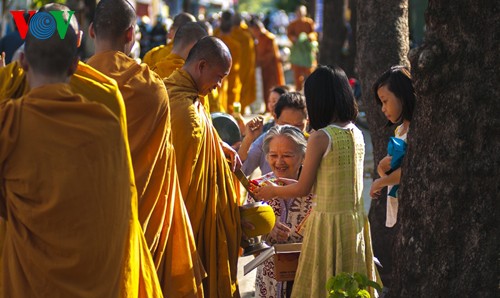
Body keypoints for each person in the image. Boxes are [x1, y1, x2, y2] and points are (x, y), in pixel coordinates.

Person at [0, 5, 164, 297]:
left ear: (23, 61)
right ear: (76, 63)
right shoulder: (106, 113)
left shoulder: (8, 118)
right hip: (97, 279)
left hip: (29, 280)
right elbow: (120, 207)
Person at [87, 1, 205, 296]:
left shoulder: (73, 84)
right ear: (131, 35)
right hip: (140, 220)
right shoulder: (152, 88)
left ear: (90, 31)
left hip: (86, 220)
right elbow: (164, 164)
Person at [254, 65, 380, 297]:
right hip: (353, 222)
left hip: (326, 224)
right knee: (351, 286)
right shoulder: (357, 132)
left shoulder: (320, 137)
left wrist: (272, 192)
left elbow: (303, 188)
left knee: (322, 287)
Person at [164, 36, 243, 298]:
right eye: (218, 76)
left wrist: (218, 144)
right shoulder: (186, 111)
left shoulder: (175, 91)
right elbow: (183, 185)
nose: (219, 86)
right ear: (201, 66)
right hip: (190, 227)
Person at [247, 125, 313, 298]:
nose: (279, 162)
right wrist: (266, 228)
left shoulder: (317, 190)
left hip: (308, 275)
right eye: (273, 155)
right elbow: (247, 238)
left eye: (287, 155)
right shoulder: (257, 188)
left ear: (304, 156)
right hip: (269, 281)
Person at [370, 66, 415, 228]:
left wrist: (380, 182)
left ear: (402, 96)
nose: (383, 108)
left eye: (385, 101)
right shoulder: (399, 130)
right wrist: (383, 170)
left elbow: (410, 171)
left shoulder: (414, 131)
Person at [240, 91, 308, 176]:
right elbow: (241, 170)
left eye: (298, 126)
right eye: (274, 155)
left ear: (307, 121)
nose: (292, 133)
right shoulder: (266, 139)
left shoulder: (312, 144)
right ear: (275, 118)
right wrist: (248, 139)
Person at [248, 17, 286, 110]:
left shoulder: (269, 38)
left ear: (257, 28)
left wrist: (260, 61)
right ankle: (267, 108)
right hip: (264, 68)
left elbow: (271, 54)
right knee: (265, 89)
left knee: (273, 88)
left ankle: (276, 108)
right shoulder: (258, 38)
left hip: (272, 68)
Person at [215, 10, 242, 113]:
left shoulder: (214, 39)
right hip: (231, 77)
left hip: (214, 77)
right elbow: (237, 65)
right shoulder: (236, 45)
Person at [287, 5, 317, 91]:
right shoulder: (292, 24)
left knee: (310, 72)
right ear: (296, 13)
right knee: (297, 74)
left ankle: (311, 90)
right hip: (297, 52)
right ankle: (298, 91)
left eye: (301, 13)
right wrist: (294, 38)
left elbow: (314, 33)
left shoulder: (309, 22)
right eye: (298, 13)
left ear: (305, 13)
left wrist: (308, 38)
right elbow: (289, 34)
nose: (300, 14)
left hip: (306, 51)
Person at [230, 13, 256, 112]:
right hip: (245, 69)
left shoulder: (228, 34)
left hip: (231, 70)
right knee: (244, 88)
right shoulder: (247, 36)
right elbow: (252, 56)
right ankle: (240, 110)